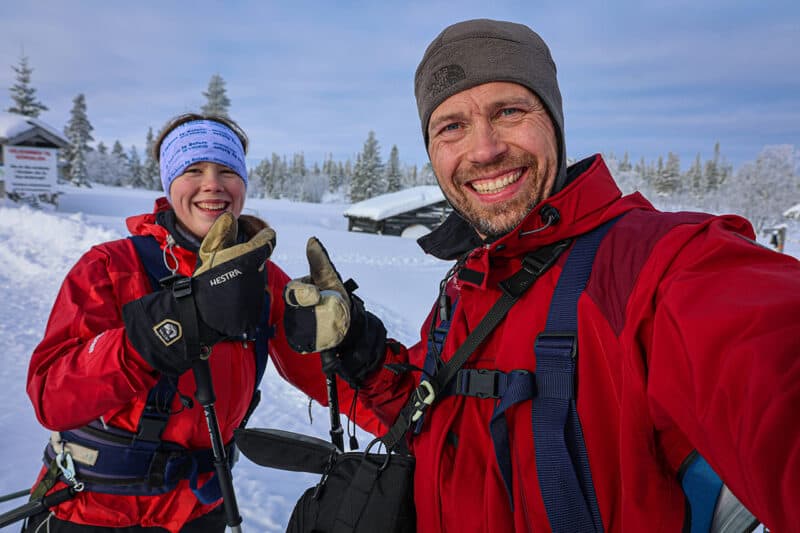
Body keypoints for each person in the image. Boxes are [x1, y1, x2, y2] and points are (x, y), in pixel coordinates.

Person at [282, 19, 800, 533]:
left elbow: (767, 360)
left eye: (509, 111)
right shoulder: (469, 284)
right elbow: (432, 412)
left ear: (552, 119)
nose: (484, 150)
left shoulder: (661, 265)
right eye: (452, 126)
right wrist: (362, 351)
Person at [23, 113, 379, 532]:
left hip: (198, 511)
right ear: (169, 183)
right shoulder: (111, 266)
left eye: (228, 170)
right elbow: (52, 397)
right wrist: (165, 330)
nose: (213, 184)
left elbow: (332, 382)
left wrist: (350, 346)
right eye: (193, 170)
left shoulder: (262, 279)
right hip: (93, 511)